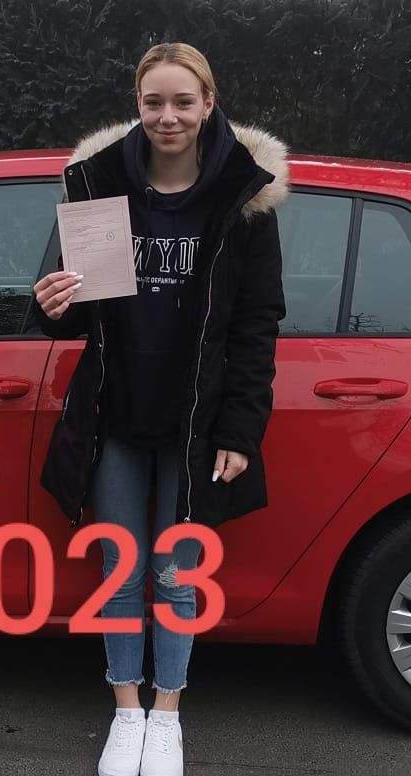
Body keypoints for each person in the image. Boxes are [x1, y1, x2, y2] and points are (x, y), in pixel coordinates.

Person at [32, 42, 288, 776]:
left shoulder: (241, 198)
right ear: (137, 107)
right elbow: (68, 314)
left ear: (209, 103)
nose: (167, 116)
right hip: (115, 414)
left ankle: (167, 714)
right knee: (120, 568)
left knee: (177, 572)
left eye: (182, 101)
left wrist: (241, 428)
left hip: (196, 425)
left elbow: (257, 324)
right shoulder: (100, 186)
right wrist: (50, 304)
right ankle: (126, 712)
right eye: (153, 103)